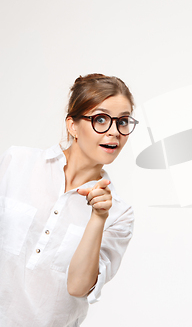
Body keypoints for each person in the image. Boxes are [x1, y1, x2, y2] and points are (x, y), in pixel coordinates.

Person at [0, 73, 139, 326]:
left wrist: (98, 217)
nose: (114, 132)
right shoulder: (16, 163)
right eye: (100, 119)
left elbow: (78, 287)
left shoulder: (119, 213)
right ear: (72, 125)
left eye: (123, 122)